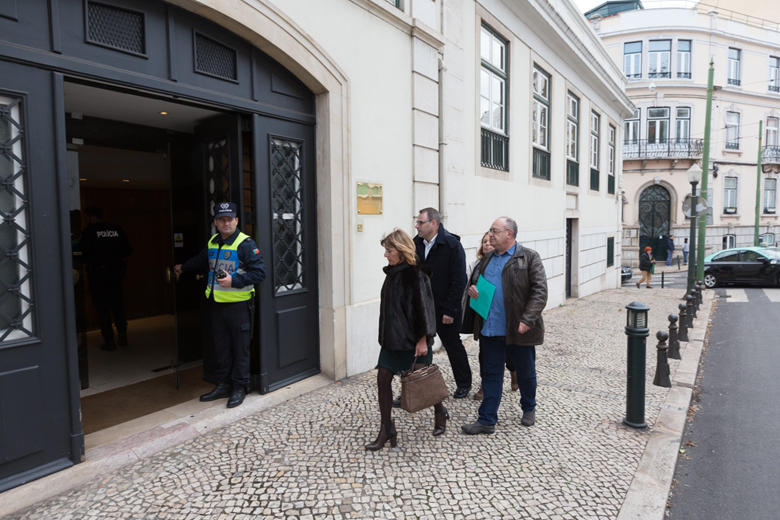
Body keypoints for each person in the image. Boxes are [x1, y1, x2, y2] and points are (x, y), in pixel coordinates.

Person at [461, 217, 548, 434]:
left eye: (495, 231)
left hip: (518, 330)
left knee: (525, 372)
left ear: (509, 233)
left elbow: (539, 292)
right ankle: (487, 419)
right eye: (490, 231)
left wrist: (527, 320)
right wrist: (474, 291)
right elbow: (480, 286)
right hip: (490, 328)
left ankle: (529, 406)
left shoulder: (529, 257)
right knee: (491, 374)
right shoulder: (487, 259)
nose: (490, 235)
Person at [174, 202, 265, 408]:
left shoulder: (245, 244)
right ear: (215, 222)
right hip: (216, 305)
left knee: (240, 349)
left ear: (236, 221)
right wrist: (183, 267)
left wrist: (234, 281)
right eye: (221, 219)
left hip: (238, 306)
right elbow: (201, 259)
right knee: (221, 348)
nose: (226, 223)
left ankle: (240, 387)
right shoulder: (213, 241)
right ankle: (224, 385)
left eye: (229, 219)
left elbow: (260, 273)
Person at [366, 229, 446, 451]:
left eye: (389, 251)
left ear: (401, 251)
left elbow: (426, 309)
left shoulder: (416, 274)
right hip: (392, 341)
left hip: (413, 342)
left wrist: (423, 339)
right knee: (383, 379)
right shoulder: (392, 273)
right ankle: (387, 429)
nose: (385, 255)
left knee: (425, 383)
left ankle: (440, 411)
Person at [411, 207, 471, 398]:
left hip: (445, 308)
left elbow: (459, 280)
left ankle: (464, 383)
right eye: (417, 222)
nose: (417, 226)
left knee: (452, 345)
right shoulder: (415, 244)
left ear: (434, 223)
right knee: (419, 347)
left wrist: (450, 310)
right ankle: (415, 386)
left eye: (421, 222)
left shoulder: (452, 245)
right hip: (422, 307)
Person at [464, 232, 517, 401]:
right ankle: (485, 385)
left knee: (509, 352)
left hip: (503, 316)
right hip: (483, 316)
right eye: (484, 241)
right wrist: (472, 290)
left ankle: (514, 371)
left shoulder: (507, 263)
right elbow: (469, 285)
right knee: (485, 354)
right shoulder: (476, 264)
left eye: (490, 241)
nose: (487, 244)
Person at [81, 206, 132, 351]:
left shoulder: (89, 232)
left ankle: (109, 341)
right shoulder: (116, 228)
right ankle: (122, 335)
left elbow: (83, 253)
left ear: (90, 217)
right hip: (115, 274)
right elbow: (127, 250)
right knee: (118, 306)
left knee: (102, 309)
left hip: (98, 276)